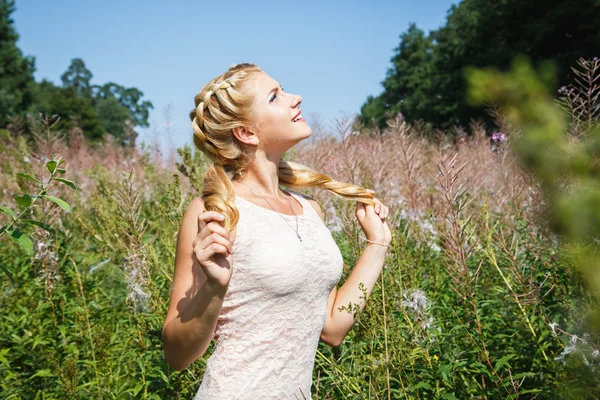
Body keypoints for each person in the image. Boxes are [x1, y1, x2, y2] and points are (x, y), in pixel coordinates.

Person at [161, 63, 392, 399]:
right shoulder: (217, 212)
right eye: (275, 96)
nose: (295, 98)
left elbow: (333, 326)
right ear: (247, 133)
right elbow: (177, 355)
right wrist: (214, 286)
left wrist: (377, 243)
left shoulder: (310, 209)